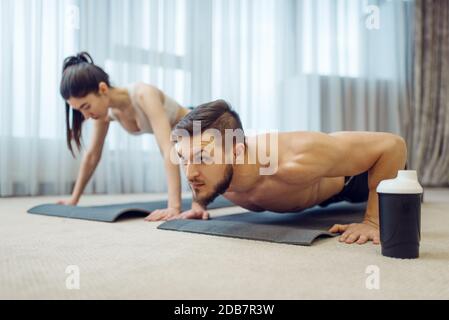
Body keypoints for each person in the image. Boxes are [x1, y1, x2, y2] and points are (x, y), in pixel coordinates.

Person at [171, 100, 408, 245]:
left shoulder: (296, 157)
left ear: (236, 152)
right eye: (184, 159)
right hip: (311, 185)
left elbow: (393, 146)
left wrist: (373, 222)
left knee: (406, 188)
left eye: (202, 158)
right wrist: (198, 204)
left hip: (356, 179)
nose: (190, 174)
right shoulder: (210, 158)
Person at [58, 52, 205, 221]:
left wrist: (174, 207)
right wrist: (74, 199)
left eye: (86, 106)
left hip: (200, 127)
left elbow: (167, 149)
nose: (85, 115)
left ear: (103, 89)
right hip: (183, 141)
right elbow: (92, 156)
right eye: (79, 110)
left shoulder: (143, 94)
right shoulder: (105, 112)